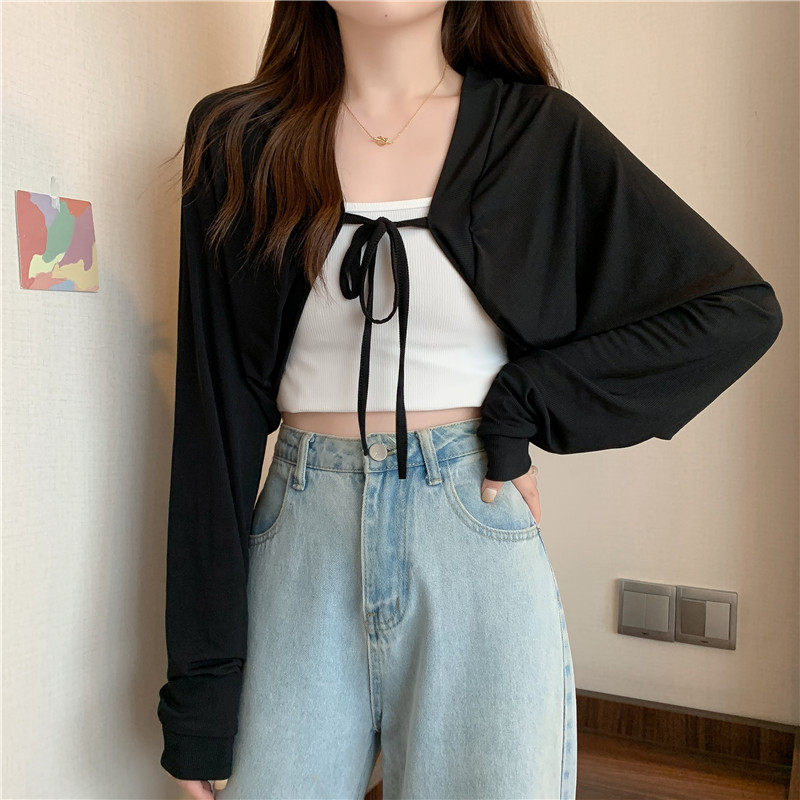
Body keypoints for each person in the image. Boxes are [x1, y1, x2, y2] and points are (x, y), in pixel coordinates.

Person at [156, 2, 783, 799]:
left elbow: (733, 312)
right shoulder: (240, 139)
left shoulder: (535, 131)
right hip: (299, 543)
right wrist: (200, 695)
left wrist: (522, 405)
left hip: (473, 536)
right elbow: (212, 424)